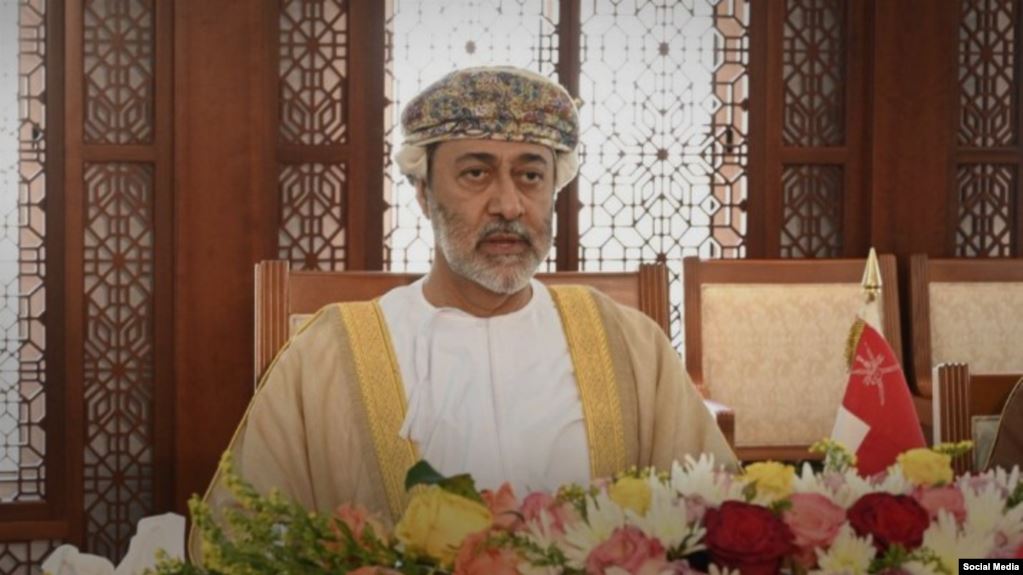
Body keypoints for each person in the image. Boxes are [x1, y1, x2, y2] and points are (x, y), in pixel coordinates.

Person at [194, 67, 735, 550]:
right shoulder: (330, 351)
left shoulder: (627, 342)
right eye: (476, 173)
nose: (508, 205)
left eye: (530, 175)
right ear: (423, 192)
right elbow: (242, 540)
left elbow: (717, 516)